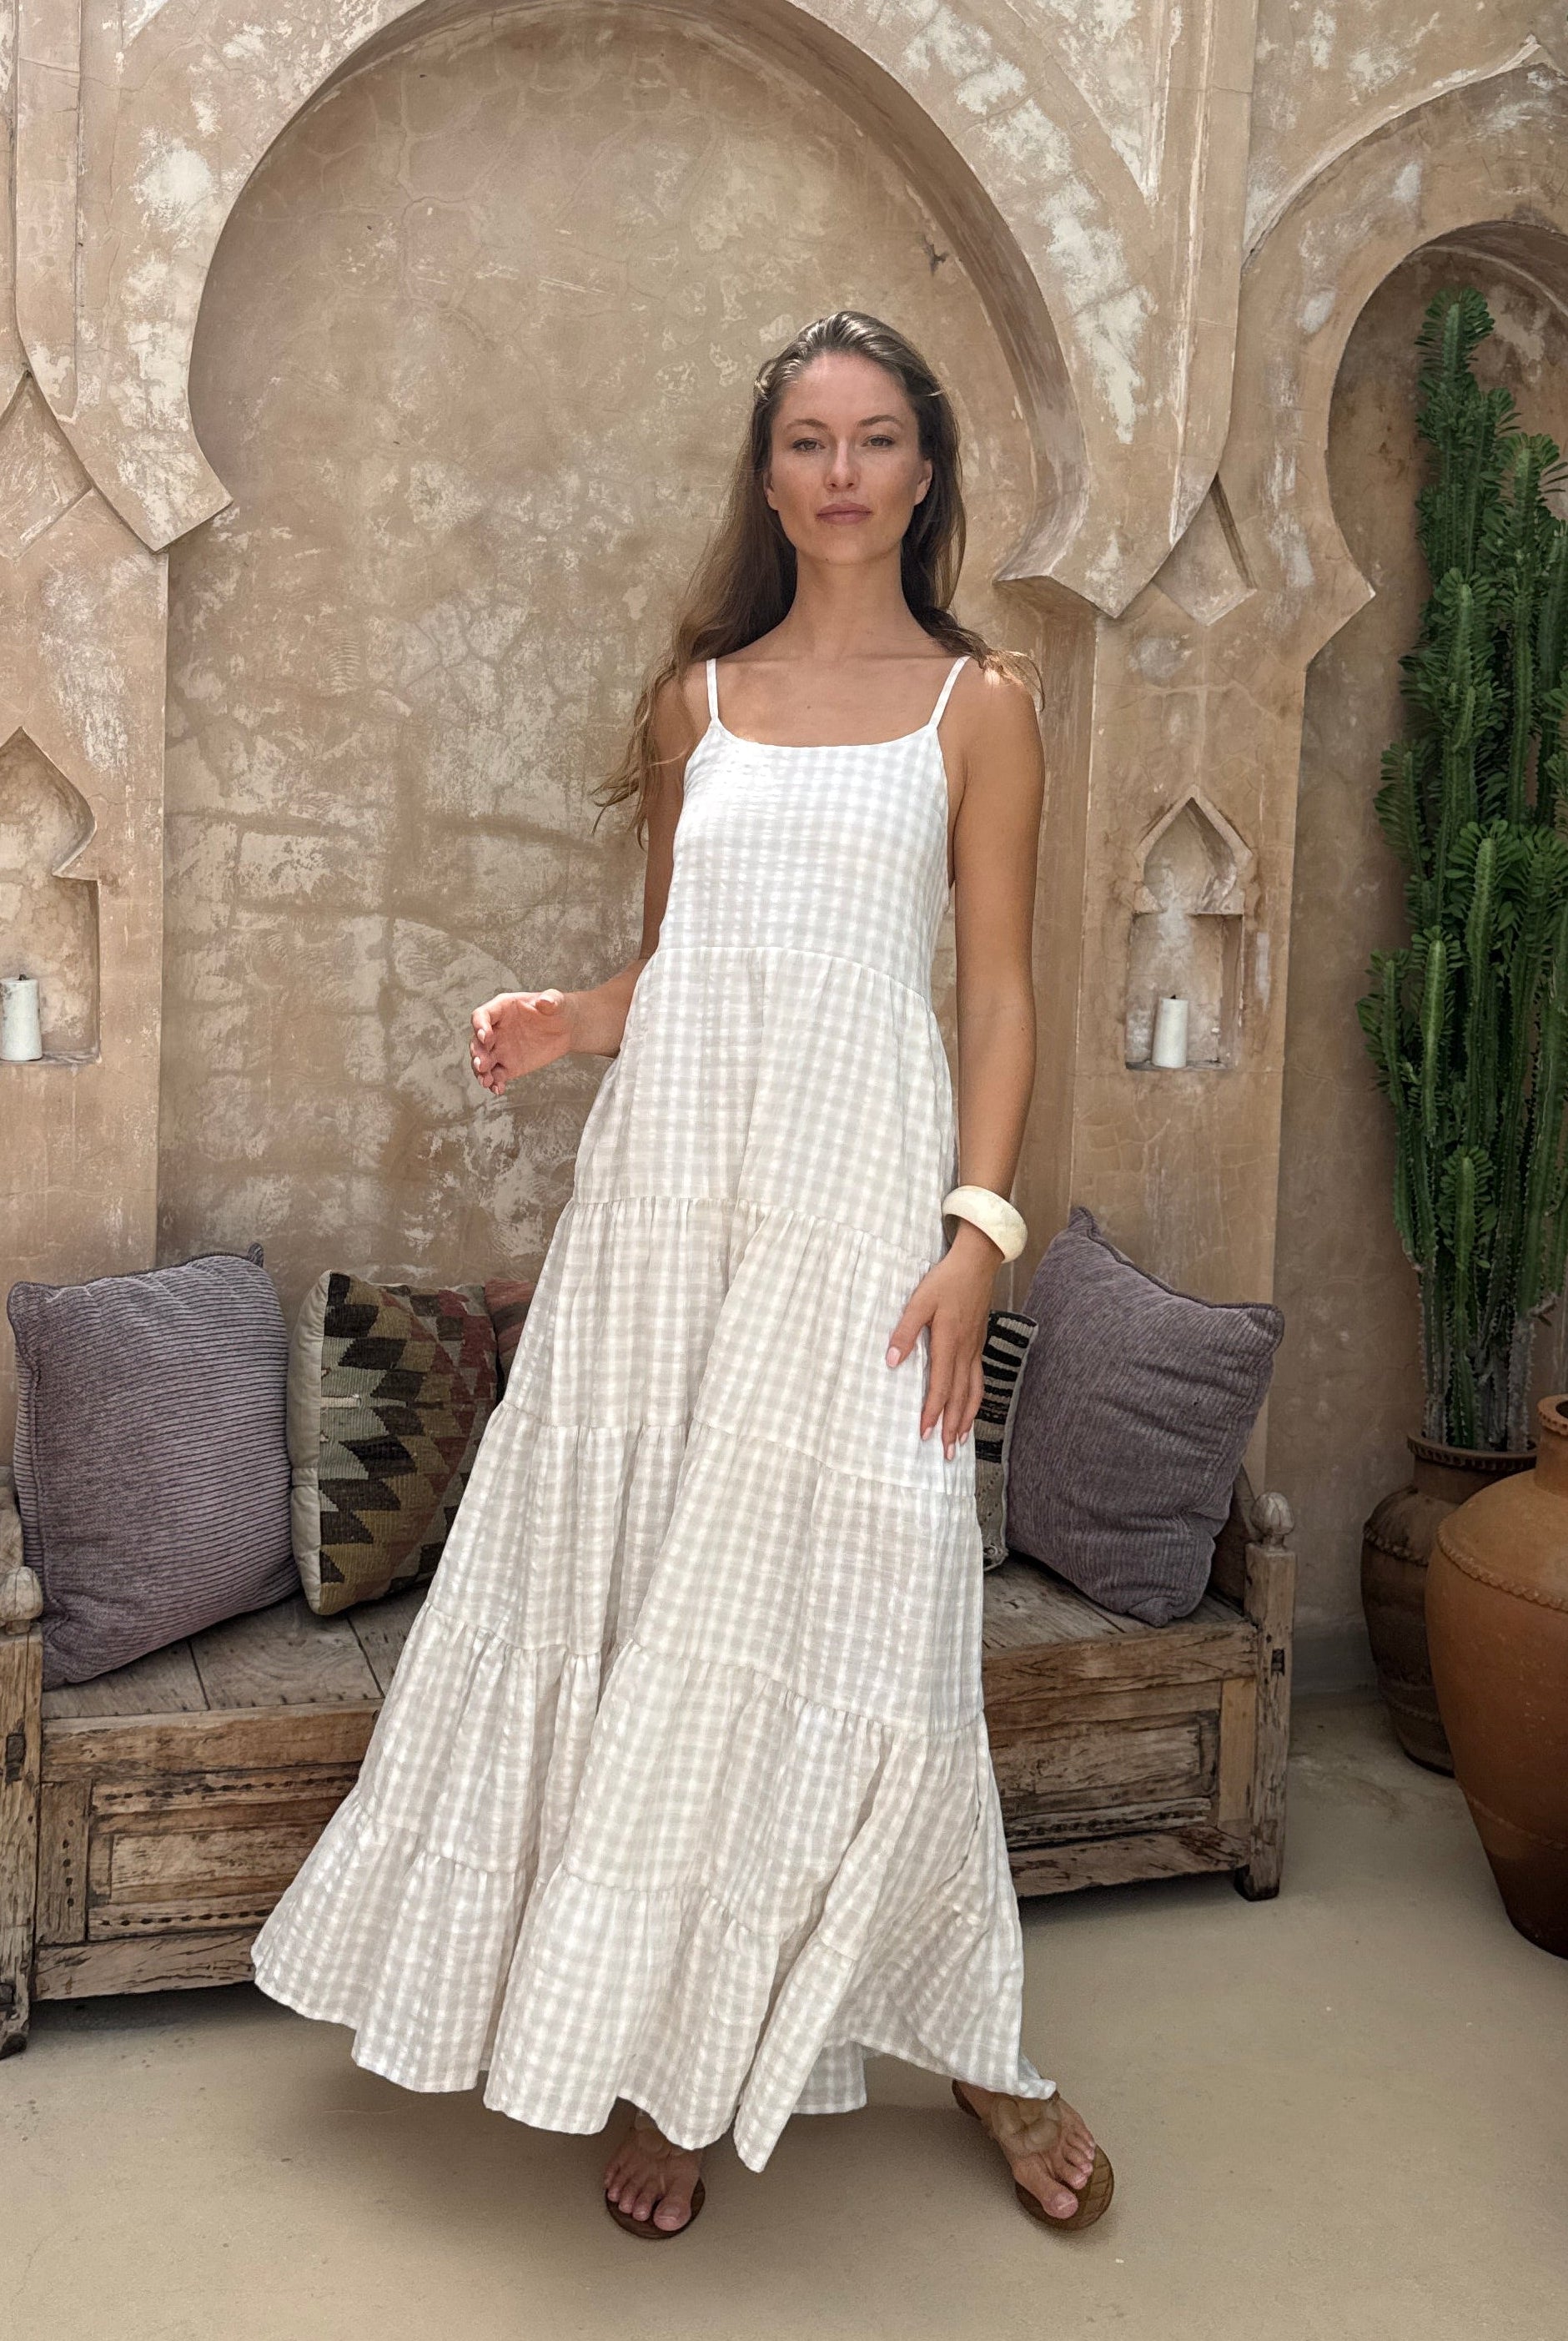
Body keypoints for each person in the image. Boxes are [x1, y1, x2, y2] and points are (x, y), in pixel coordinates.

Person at [249, 309, 1111, 2240]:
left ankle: (977, 2033)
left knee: (880, 1624)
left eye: (873, 439)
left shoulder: (983, 704)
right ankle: (667, 2052)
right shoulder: (693, 703)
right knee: (660, 1600)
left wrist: (977, 1234)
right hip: (671, 1214)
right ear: (767, 471)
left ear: (923, 467)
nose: (836, 473)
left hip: (864, 1219)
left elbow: (992, 995)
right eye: (804, 440)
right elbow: (680, 968)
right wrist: (562, 1020)